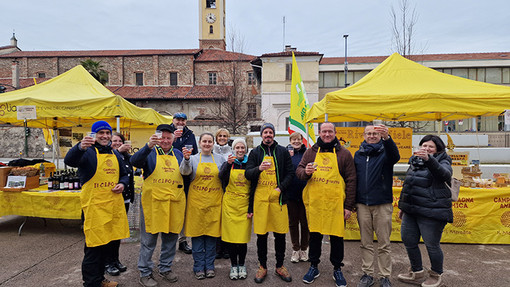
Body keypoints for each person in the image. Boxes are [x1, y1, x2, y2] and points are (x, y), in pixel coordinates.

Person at [64, 121, 129, 287]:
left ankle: (100, 280)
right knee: (93, 249)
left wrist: (122, 183)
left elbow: (124, 174)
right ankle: (91, 283)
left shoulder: (115, 154)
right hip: (95, 209)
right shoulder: (87, 152)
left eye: (108, 133)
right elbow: (70, 160)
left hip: (113, 207)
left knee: (107, 247)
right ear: (94, 135)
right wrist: (79, 147)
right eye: (101, 133)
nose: (105, 136)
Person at [296, 122, 357, 287]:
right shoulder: (311, 152)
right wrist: (305, 172)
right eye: (324, 131)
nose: (327, 134)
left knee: (337, 237)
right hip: (316, 204)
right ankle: (313, 266)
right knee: (314, 236)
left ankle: (337, 268)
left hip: (336, 205)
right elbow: (299, 171)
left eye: (330, 131)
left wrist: (348, 206)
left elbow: (352, 181)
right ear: (320, 133)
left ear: (335, 133)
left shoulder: (344, 154)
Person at [130, 124, 186, 287]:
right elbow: (134, 161)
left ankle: (165, 268)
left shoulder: (179, 154)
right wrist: (148, 146)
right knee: (149, 241)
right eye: (163, 137)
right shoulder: (150, 152)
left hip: (173, 203)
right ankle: (145, 272)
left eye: (169, 138)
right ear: (157, 138)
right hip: (153, 204)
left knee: (170, 240)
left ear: (173, 139)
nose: (165, 140)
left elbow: (186, 174)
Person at [397, 135, 453, 287]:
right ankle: (416, 272)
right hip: (412, 209)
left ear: (438, 149)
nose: (427, 149)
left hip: (432, 210)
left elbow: (444, 175)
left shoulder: (444, 160)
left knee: (431, 245)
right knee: (408, 241)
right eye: (424, 146)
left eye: (431, 147)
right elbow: (408, 184)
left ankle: (436, 275)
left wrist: (430, 160)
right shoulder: (415, 161)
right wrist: (402, 206)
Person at [245, 123, 294, 283]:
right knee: (261, 235)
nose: (268, 135)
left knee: (280, 235)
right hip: (260, 200)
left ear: (274, 135)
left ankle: (280, 266)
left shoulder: (282, 152)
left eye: (270, 132)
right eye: (265, 132)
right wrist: (259, 168)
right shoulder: (254, 153)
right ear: (261, 135)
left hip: (278, 200)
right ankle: (262, 266)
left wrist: (280, 188)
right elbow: (248, 174)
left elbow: (290, 173)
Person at [354, 124, 400, 287]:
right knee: (365, 243)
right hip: (362, 205)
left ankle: (384, 276)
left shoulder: (385, 152)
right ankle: (367, 274)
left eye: (375, 133)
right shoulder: (358, 155)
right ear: (364, 135)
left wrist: (388, 138)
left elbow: (395, 156)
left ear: (380, 135)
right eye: (369, 133)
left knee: (383, 243)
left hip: (382, 204)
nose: (372, 136)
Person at [180, 132, 226, 280]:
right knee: (198, 238)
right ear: (200, 143)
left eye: (209, 141)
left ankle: (210, 266)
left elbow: (225, 178)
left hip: (214, 204)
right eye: (204, 141)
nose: (207, 144)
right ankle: (199, 267)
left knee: (212, 238)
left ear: (213, 144)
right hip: (196, 205)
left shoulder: (220, 159)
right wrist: (186, 160)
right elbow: (184, 172)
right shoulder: (192, 159)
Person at [219, 138, 252, 280]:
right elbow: (221, 177)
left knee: (242, 238)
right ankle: (233, 266)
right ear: (233, 149)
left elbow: (254, 185)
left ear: (245, 149)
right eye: (237, 147)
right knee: (232, 239)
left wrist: (251, 207)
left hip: (244, 204)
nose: (240, 150)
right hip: (230, 205)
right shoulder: (229, 163)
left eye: (242, 147)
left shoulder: (250, 164)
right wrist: (228, 165)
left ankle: (242, 265)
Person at [104, 132, 134, 277]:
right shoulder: (109, 155)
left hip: (125, 199)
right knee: (109, 232)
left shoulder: (127, 157)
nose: (117, 143)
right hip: (112, 199)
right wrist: (117, 152)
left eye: (119, 141)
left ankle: (115, 260)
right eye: (114, 141)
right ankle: (107, 262)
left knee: (117, 232)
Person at [169, 112, 195, 254]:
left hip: (185, 176)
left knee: (183, 209)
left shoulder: (190, 134)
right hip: (168, 175)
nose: (180, 122)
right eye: (178, 119)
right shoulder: (166, 131)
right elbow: (160, 149)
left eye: (183, 120)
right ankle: (170, 240)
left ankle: (182, 240)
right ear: (173, 120)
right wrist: (173, 138)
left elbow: (195, 154)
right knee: (169, 208)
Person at [286, 132, 310, 263]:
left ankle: (304, 249)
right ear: (290, 141)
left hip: (306, 194)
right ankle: (295, 249)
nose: (296, 141)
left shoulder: (308, 153)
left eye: (299, 139)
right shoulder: (287, 154)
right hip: (291, 194)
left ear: (302, 140)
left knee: (305, 223)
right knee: (293, 223)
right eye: (294, 139)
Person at [213, 128, 232, 259]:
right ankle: (217, 248)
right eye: (220, 136)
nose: (222, 138)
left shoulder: (231, 152)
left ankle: (226, 248)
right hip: (214, 188)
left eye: (225, 136)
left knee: (226, 219)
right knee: (216, 219)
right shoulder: (211, 151)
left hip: (227, 188)